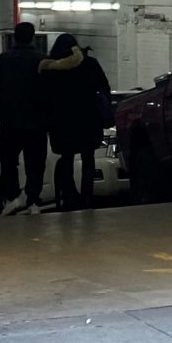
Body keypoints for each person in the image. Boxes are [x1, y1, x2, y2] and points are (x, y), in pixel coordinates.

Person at [38, 31, 115, 212]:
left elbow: (42, 97)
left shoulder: (49, 69)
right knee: (89, 158)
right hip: (88, 120)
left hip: (61, 123)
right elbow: (104, 87)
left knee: (66, 159)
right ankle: (87, 198)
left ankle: (70, 197)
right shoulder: (89, 64)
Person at [0, 22, 48, 213]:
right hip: (37, 123)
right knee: (36, 162)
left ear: (14, 36)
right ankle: (33, 199)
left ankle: (13, 197)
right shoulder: (42, 61)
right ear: (33, 36)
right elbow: (51, 92)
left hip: (9, 122)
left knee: (8, 160)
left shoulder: (1, 61)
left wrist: (0, 113)